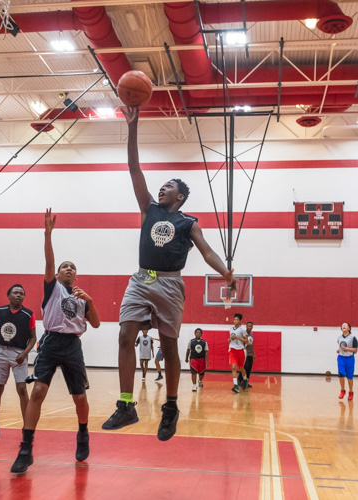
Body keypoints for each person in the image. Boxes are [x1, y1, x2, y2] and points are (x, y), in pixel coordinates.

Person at [102, 106, 235, 442]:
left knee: (170, 346)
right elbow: (134, 168)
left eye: (168, 186)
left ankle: (171, 406)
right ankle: (127, 404)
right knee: (124, 335)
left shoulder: (188, 222)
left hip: (170, 283)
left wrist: (226, 274)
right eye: (161, 185)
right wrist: (132, 127)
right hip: (141, 278)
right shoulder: (149, 208)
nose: (161, 189)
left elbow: (206, 251)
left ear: (181, 196)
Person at [10, 209, 101, 474]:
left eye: (72, 267)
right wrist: (48, 234)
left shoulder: (82, 297)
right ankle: (26, 449)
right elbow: (49, 261)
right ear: (58, 274)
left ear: (76, 275)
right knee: (38, 391)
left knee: (79, 398)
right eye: (64, 266)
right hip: (50, 342)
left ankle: (83, 433)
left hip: (72, 346)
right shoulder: (53, 288)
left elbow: (95, 324)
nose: (68, 268)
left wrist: (91, 301)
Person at [0, 284, 37, 439]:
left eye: (22, 294)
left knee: (22, 390)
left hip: (19, 353)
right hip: (1, 351)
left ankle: (27, 428)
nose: (19, 295)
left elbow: (33, 338)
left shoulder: (28, 314)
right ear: (8, 295)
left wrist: (25, 354)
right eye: (16, 292)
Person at [336, 322, 358, 400]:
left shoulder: (353, 338)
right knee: (341, 375)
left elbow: (355, 350)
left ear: (349, 328)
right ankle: (342, 390)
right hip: (341, 358)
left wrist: (346, 349)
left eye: (345, 325)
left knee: (349, 377)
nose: (343, 326)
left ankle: (351, 392)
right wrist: (339, 350)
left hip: (350, 359)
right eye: (342, 325)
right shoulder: (339, 338)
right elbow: (341, 347)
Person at [229, 313, 249, 393]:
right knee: (233, 367)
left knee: (241, 368)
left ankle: (245, 379)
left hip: (240, 350)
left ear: (240, 321)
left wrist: (237, 338)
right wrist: (229, 340)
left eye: (237, 319)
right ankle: (236, 386)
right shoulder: (231, 328)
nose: (235, 321)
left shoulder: (242, 330)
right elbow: (231, 338)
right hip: (232, 350)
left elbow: (246, 341)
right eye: (234, 319)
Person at [238, 321, 256, 387]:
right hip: (244, 353)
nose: (249, 327)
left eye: (251, 326)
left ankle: (246, 382)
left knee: (249, 369)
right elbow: (241, 343)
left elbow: (252, 345)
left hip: (250, 354)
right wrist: (246, 344)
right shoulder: (243, 334)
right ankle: (239, 380)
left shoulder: (251, 335)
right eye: (248, 326)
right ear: (246, 326)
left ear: (252, 327)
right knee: (245, 367)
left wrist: (253, 353)